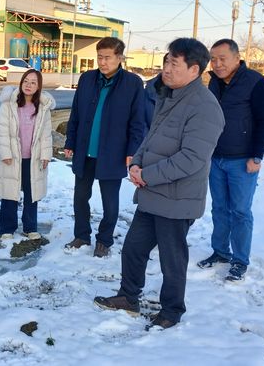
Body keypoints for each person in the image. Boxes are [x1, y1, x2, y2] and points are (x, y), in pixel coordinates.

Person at [93, 38, 225, 330]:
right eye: (166, 62)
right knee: (133, 249)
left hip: (177, 199)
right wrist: (136, 163)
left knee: (172, 260)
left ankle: (172, 311)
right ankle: (129, 297)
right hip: (153, 193)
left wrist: (147, 175)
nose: (166, 68)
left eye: (173, 64)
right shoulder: (169, 96)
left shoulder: (204, 107)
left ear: (194, 69)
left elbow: (191, 158)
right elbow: (150, 138)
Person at [197, 39, 264, 281]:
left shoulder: (255, 82)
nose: (217, 64)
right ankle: (220, 251)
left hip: (242, 161)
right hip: (216, 157)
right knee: (219, 208)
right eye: (213, 59)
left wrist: (257, 155)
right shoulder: (215, 83)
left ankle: (240, 260)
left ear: (236, 58)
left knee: (240, 211)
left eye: (222, 59)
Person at [63, 37, 147, 258]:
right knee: (80, 197)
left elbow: (138, 122)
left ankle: (104, 240)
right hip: (85, 150)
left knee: (110, 202)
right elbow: (76, 114)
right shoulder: (87, 79)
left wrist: (132, 152)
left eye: (107, 57)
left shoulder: (132, 83)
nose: (102, 62)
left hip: (112, 153)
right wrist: (70, 141)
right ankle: (81, 235)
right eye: (99, 57)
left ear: (119, 58)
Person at [0, 69, 55, 240]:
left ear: (39, 86)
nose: (29, 85)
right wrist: (5, 152)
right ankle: (7, 228)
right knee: (10, 192)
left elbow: (45, 134)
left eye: (33, 82)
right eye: (26, 81)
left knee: (32, 193)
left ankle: (30, 227)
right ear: (21, 83)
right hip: (12, 157)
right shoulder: (9, 105)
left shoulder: (43, 108)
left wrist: (45, 155)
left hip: (33, 158)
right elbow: (1, 131)